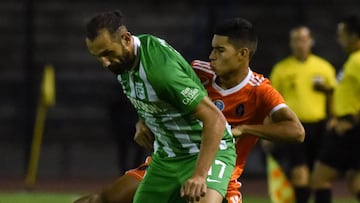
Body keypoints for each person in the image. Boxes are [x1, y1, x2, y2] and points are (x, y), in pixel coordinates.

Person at [75, 17, 305, 203]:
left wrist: (245, 129)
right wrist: (144, 120)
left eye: (220, 50)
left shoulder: (259, 91)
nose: (211, 55)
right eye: (212, 48)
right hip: (172, 153)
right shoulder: (196, 71)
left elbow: (295, 131)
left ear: (242, 54)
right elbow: (157, 95)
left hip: (216, 161)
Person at [84, 10, 237, 203]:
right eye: (98, 56)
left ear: (125, 38)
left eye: (107, 53)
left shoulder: (160, 71)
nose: (104, 62)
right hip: (169, 156)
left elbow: (215, 119)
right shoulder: (124, 60)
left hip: (204, 150)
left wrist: (199, 175)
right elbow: (151, 95)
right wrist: (144, 120)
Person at [268, 25, 337, 203]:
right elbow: (270, 102)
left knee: (321, 176)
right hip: (293, 127)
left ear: (311, 42)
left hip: (320, 126)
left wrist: (335, 118)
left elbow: (333, 97)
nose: (300, 44)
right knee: (300, 175)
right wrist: (269, 131)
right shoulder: (282, 69)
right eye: (296, 40)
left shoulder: (324, 67)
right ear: (291, 43)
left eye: (304, 39)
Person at [310, 14, 360, 203]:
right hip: (348, 125)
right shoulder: (353, 60)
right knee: (355, 183)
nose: (339, 39)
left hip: (348, 129)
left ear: (354, 36)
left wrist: (350, 121)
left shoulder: (357, 61)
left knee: (319, 180)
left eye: (342, 34)